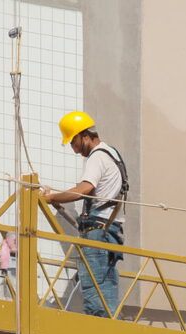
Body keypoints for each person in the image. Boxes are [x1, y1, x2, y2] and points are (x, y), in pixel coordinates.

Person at [41, 111, 128, 318]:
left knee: (93, 283)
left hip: (98, 229)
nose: (74, 149)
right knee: (105, 280)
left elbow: (85, 188)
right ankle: (108, 323)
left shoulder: (97, 157)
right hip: (110, 229)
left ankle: (100, 325)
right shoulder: (112, 153)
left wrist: (52, 197)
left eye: (73, 142)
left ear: (84, 135)